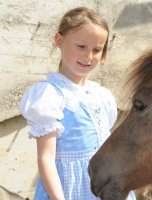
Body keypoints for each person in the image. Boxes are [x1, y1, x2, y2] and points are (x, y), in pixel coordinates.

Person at [19, 7, 136, 200]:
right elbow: (46, 158)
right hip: (68, 190)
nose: (88, 56)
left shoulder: (101, 95)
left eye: (97, 50)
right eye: (81, 46)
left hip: (105, 186)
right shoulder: (49, 95)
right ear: (59, 40)